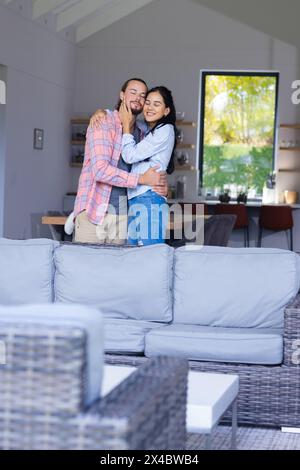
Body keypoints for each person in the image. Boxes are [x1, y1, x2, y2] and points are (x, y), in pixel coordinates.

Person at [71, 78, 167, 244]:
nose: (138, 98)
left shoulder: (143, 134)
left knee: (117, 269)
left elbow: (152, 169)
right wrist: (141, 179)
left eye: (143, 95)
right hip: (94, 211)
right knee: (84, 268)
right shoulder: (103, 122)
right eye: (133, 92)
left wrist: (161, 183)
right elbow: (100, 170)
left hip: (123, 215)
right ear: (122, 95)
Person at [118, 86, 176, 245]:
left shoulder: (165, 130)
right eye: (148, 103)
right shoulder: (149, 130)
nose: (150, 107)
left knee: (151, 255)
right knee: (133, 255)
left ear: (166, 111)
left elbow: (130, 156)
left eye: (157, 104)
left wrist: (126, 129)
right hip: (137, 198)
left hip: (149, 198)